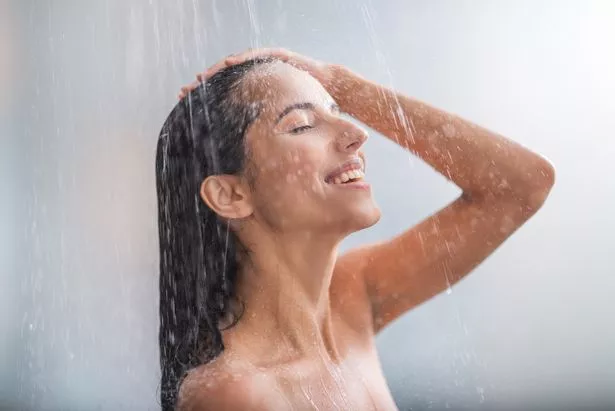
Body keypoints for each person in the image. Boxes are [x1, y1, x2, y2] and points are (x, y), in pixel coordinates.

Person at [155, 48, 555, 411]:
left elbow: (520, 187)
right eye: (301, 125)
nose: (357, 133)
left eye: (338, 111)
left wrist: (346, 86)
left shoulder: (351, 299)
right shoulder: (236, 395)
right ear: (229, 194)